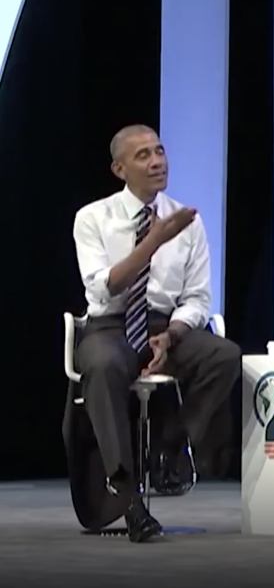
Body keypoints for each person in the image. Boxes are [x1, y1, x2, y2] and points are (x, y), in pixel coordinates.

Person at [67, 124, 242, 543]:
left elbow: (198, 297)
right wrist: (155, 238)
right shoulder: (93, 218)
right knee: (105, 366)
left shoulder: (187, 221)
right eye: (143, 155)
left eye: (160, 151)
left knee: (225, 355)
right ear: (119, 168)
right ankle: (128, 498)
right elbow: (101, 287)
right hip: (111, 325)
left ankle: (170, 444)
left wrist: (175, 334)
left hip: (164, 326)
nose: (157, 161)